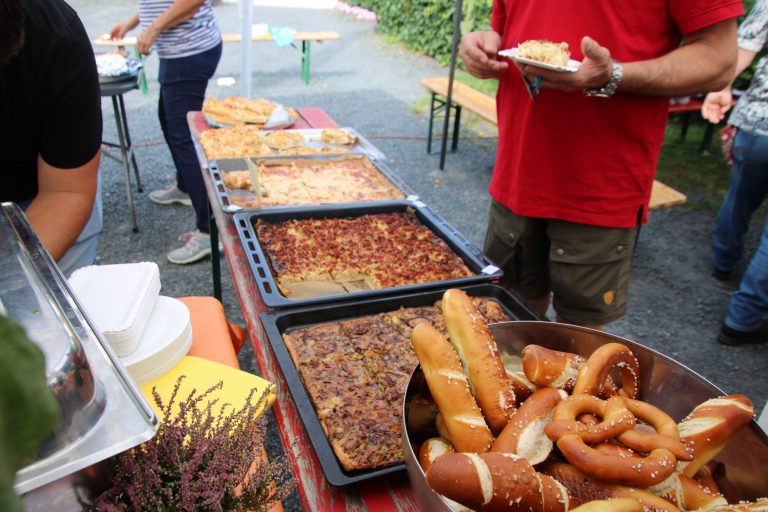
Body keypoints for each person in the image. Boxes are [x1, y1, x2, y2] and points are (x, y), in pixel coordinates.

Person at [460, 0, 742, 330]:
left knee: (575, 335)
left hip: (600, 183)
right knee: (508, 311)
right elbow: (506, 28)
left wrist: (615, 75)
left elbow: (719, 60)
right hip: (517, 171)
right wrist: (484, 43)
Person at [110, 0, 222, 264]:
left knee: (184, 138)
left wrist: (153, 29)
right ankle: (185, 187)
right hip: (177, 53)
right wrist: (132, 22)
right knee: (170, 124)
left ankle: (210, 231)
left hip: (189, 52)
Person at [0, 0, 103, 277]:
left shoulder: (56, 36)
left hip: (43, 194)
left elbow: (66, 192)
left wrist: (12, 278)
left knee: (51, 294)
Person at [702, 0, 768, 346]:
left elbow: (744, 44)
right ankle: (742, 320)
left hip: (754, 124)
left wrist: (721, 88)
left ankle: (724, 261)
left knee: (739, 198)